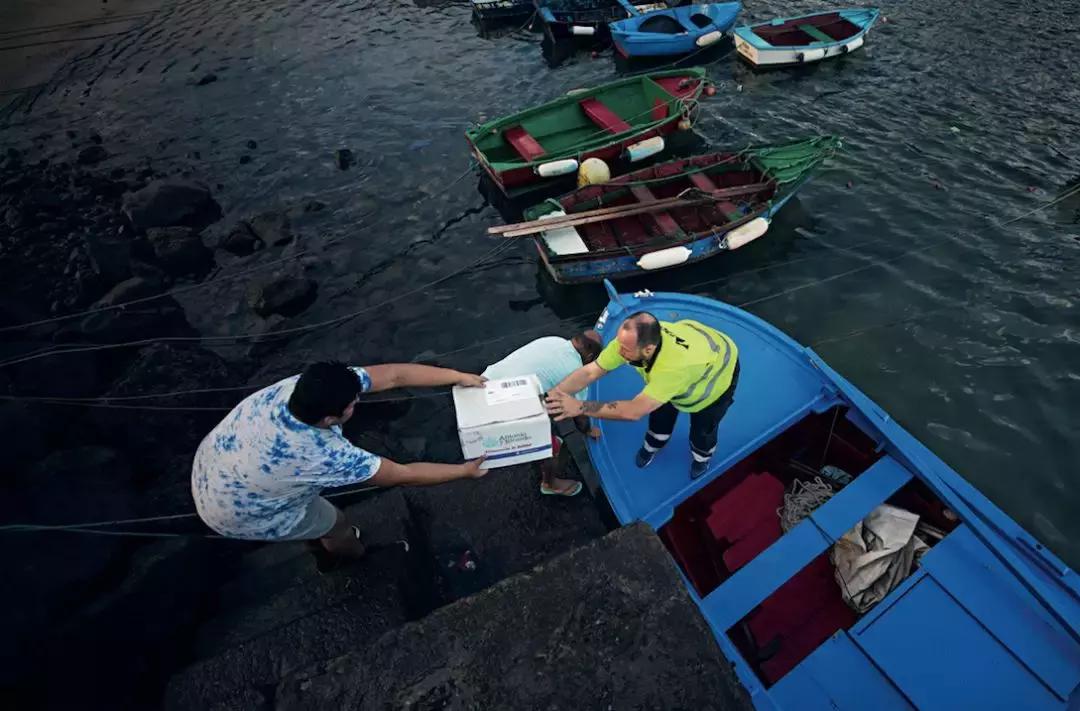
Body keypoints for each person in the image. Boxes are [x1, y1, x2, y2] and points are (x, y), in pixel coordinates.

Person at [191, 361, 488, 560]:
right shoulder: (325, 455)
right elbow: (402, 473)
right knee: (336, 523)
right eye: (352, 402)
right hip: (237, 512)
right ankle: (352, 558)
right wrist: (464, 470)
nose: (358, 400)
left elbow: (395, 375)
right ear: (331, 418)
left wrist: (458, 377)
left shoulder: (299, 389)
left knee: (311, 503)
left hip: (212, 464)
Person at [545, 312, 739, 480]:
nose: (618, 352)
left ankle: (701, 457)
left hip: (714, 378)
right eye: (619, 343)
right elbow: (591, 372)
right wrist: (556, 394)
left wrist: (580, 407)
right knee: (659, 419)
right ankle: (653, 444)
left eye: (625, 350)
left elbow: (634, 411)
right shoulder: (630, 341)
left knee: (702, 431)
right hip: (692, 349)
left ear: (648, 349)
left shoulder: (673, 369)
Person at [482, 331, 603, 496]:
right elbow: (579, 414)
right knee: (550, 446)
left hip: (484, 384)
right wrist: (588, 431)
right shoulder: (578, 371)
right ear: (590, 356)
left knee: (543, 399)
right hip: (499, 412)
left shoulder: (554, 340)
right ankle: (550, 483)